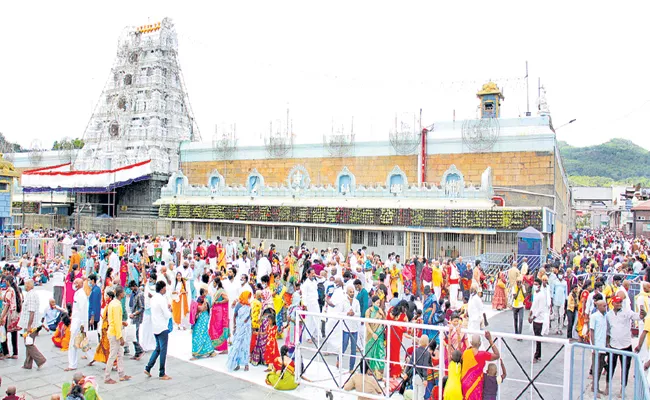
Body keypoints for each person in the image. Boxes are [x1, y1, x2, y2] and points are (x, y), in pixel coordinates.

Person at [607, 295, 645, 390]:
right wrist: (607, 343)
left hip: (626, 345)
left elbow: (637, 317)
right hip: (613, 345)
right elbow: (608, 330)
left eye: (620, 302)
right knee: (611, 367)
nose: (619, 304)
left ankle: (622, 389)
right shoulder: (609, 315)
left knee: (625, 368)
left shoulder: (627, 312)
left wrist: (642, 314)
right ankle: (607, 387)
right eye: (617, 302)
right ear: (613, 303)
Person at [145, 280, 172, 380]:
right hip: (162, 327)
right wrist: (169, 311)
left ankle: (148, 367)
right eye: (165, 287)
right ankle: (162, 372)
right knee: (163, 350)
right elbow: (166, 314)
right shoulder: (161, 299)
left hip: (155, 326)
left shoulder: (154, 298)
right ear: (162, 288)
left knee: (158, 348)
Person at [460, 331, 499, 400]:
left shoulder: (466, 353)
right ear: (480, 344)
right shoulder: (482, 354)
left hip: (464, 383)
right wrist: (490, 340)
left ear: (471, 343)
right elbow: (497, 355)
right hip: (476, 385)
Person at [104, 285, 131, 384]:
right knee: (113, 355)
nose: (124, 294)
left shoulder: (114, 303)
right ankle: (107, 377)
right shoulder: (116, 305)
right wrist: (120, 337)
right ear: (120, 294)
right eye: (123, 292)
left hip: (114, 331)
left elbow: (116, 320)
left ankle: (122, 374)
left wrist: (122, 323)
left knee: (120, 354)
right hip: (115, 333)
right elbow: (115, 322)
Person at [20, 279, 46, 370]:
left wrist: (29, 326)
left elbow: (32, 311)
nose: (25, 286)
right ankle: (27, 364)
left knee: (28, 344)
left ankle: (40, 359)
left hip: (31, 324)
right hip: (31, 323)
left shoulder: (31, 295)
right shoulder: (31, 294)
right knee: (28, 342)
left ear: (29, 285)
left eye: (26, 285)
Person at [226, 291, 253, 372]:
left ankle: (246, 364)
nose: (248, 298)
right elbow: (235, 316)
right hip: (239, 328)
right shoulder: (239, 305)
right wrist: (234, 326)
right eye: (247, 297)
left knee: (245, 346)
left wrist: (247, 323)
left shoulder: (249, 306)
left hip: (246, 330)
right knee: (237, 345)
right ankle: (236, 363)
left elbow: (249, 316)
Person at [66, 278, 88, 371]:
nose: (74, 284)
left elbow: (83, 310)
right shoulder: (78, 293)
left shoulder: (81, 295)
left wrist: (82, 324)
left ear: (79, 284)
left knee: (73, 343)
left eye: (76, 283)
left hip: (79, 322)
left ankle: (72, 364)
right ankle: (92, 358)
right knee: (83, 342)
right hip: (76, 321)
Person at [190, 288, 217, 359]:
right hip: (201, 318)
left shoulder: (206, 299)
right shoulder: (200, 299)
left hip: (203, 318)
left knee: (200, 334)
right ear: (203, 293)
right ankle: (210, 351)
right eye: (205, 291)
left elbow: (203, 308)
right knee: (202, 334)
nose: (206, 292)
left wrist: (197, 308)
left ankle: (197, 353)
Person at [589, 299, 609, 396]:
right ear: (598, 307)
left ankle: (595, 387)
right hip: (597, 346)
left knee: (600, 367)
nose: (605, 308)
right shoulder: (594, 317)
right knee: (596, 367)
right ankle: (594, 387)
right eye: (603, 306)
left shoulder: (605, 317)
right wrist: (593, 346)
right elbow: (591, 331)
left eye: (606, 306)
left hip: (603, 346)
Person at [89, 290, 113, 366]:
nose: (105, 297)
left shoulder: (111, 306)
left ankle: (110, 362)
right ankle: (96, 359)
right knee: (102, 345)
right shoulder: (107, 305)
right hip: (104, 329)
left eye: (106, 296)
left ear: (110, 297)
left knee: (107, 347)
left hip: (107, 329)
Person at [339, 285, 360, 372]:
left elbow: (359, 313)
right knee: (344, 346)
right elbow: (340, 313)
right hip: (346, 327)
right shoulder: (343, 301)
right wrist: (347, 314)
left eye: (353, 292)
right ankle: (338, 360)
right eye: (350, 292)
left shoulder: (356, 302)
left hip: (354, 328)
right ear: (347, 293)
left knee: (353, 349)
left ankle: (351, 368)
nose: (352, 293)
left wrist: (353, 313)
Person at [365, 295, 386, 380]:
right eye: (377, 303)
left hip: (379, 335)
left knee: (379, 353)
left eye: (379, 303)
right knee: (370, 352)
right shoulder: (369, 311)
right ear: (373, 303)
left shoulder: (380, 311)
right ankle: (370, 371)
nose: (378, 305)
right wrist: (372, 333)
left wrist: (382, 314)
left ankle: (379, 374)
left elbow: (385, 322)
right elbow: (367, 323)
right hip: (371, 335)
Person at [1, 275, 22, 359]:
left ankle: (6, 352)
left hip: (8, 315)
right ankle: (15, 353)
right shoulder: (16, 290)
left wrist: (2, 316)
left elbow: (7, 305)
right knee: (14, 333)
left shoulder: (10, 290)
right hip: (15, 315)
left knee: (3, 333)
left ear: (8, 281)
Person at [387, 301, 408, 378]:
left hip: (390, 335)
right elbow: (405, 328)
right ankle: (395, 372)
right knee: (395, 354)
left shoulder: (391, 310)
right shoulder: (403, 315)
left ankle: (393, 370)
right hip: (396, 337)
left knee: (391, 353)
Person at [208, 278, 229, 354]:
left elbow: (227, 299)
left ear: (216, 283)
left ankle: (224, 348)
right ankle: (217, 346)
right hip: (215, 312)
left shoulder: (221, 291)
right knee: (215, 328)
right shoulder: (218, 291)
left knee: (220, 328)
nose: (213, 284)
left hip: (219, 312)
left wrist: (218, 302)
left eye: (213, 283)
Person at [529, 279, 547, 363]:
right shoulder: (535, 294)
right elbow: (534, 305)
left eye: (536, 284)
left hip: (539, 319)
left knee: (537, 337)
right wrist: (530, 314)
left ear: (539, 285)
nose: (534, 286)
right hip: (534, 317)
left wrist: (533, 317)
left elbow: (540, 308)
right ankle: (539, 354)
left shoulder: (542, 295)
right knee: (536, 336)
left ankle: (536, 355)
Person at [128, 280, 145, 360]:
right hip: (134, 316)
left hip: (137, 317)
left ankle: (140, 350)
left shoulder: (140, 294)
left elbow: (142, 307)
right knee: (133, 334)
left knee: (134, 334)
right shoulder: (134, 294)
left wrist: (134, 314)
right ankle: (137, 352)